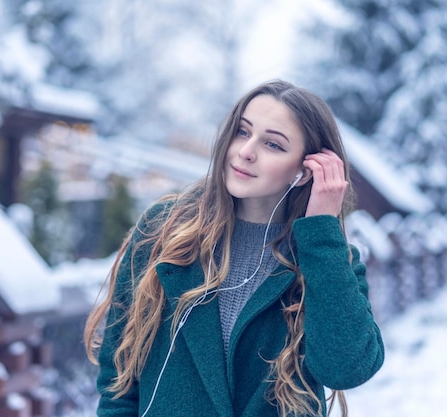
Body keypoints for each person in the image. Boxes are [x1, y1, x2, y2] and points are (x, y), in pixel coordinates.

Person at [84, 79, 384, 417]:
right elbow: (118, 375)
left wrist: (321, 230)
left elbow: (346, 369)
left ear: (305, 169)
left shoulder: (326, 256)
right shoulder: (164, 231)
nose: (246, 151)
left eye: (272, 144)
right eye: (243, 132)